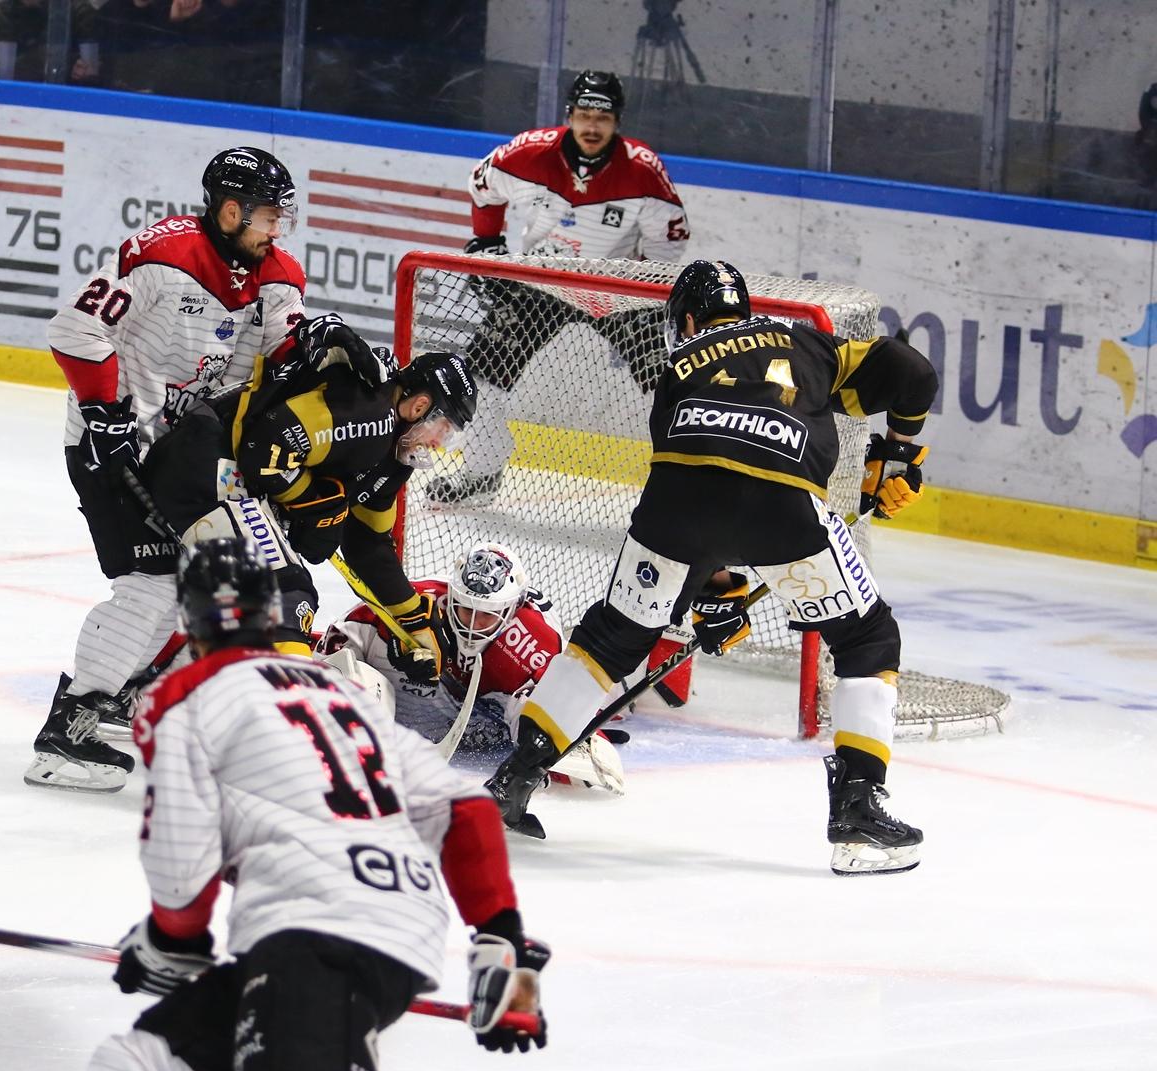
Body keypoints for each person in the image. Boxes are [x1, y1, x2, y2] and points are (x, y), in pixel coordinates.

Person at [71, 537, 548, 1071]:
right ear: (272, 617)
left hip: (319, 932)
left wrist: (171, 940)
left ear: (190, 620)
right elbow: (463, 808)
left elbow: (182, 848)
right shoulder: (334, 691)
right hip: (390, 925)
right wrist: (502, 947)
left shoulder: (185, 693)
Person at [486, 260, 934, 871]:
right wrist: (899, 456)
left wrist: (712, 589)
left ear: (688, 319)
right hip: (782, 505)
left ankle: (517, 773)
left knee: (611, 639)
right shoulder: (805, 342)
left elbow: (707, 487)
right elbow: (913, 372)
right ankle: (857, 807)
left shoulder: (676, 369)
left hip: (675, 507)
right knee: (866, 637)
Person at [25, 147, 308, 794]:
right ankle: (65, 732)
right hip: (112, 447)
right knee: (150, 584)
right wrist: (105, 417)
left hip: (183, 455)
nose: (276, 229)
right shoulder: (162, 257)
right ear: (230, 210)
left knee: (188, 581)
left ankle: (121, 692)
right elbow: (74, 331)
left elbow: (277, 356)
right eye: (268, 215)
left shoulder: (275, 273)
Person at [433, 69, 690, 506]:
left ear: (618, 122)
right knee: (480, 374)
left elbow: (672, 238)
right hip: (544, 283)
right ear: (569, 114)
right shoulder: (529, 152)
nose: (592, 126)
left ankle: (685, 492)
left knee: (672, 386)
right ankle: (481, 473)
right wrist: (488, 244)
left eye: (603, 118)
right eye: (585, 114)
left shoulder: (642, 169)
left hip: (617, 291)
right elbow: (482, 185)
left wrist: (640, 287)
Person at [138, 339, 475, 668]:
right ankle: (289, 713)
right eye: (444, 430)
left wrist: (413, 614)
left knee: (195, 594)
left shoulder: (393, 458)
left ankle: (156, 688)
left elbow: (368, 543)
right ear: (420, 407)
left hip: (214, 474)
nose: (440, 445)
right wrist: (314, 502)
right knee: (285, 594)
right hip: (205, 465)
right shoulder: (370, 414)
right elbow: (263, 450)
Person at [317, 541, 627, 812]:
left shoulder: (534, 640)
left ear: (511, 609)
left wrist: (561, 742)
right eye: (466, 610)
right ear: (452, 595)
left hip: (487, 732)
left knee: (571, 759)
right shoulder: (413, 603)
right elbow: (333, 650)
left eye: (487, 614)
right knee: (345, 679)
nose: (473, 624)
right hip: (401, 722)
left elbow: (556, 708)